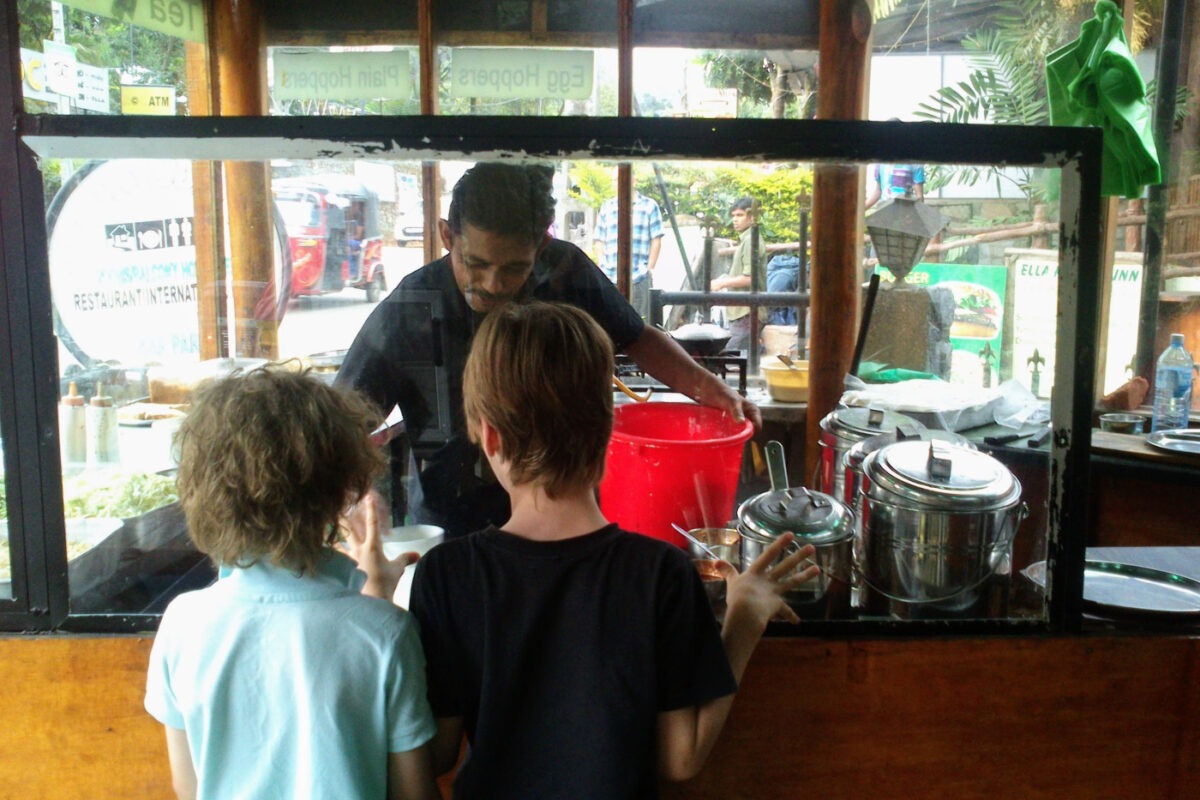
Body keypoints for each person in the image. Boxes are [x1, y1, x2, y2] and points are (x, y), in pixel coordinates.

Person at [404, 300, 819, 799]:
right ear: (608, 432)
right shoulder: (661, 573)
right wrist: (745, 619)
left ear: (489, 437)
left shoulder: (446, 575)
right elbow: (680, 759)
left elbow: (438, 754)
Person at [336, 162, 758, 539]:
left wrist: (715, 392)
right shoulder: (409, 309)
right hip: (453, 531)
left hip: (567, 521)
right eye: (476, 263)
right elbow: (340, 420)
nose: (494, 284)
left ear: (539, 248)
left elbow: (637, 337)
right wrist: (353, 497)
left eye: (514, 268)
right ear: (447, 235)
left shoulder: (565, 270)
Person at [143, 367, 439, 800]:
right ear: (341, 486)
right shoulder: (385, 633)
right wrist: (376, 601)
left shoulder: (181, 623)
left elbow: (188, 789)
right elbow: (416, 795)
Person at [593, 181, 664, 321]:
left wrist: (649, 268)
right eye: (614, 180)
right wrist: (602, 264)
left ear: (634, 181)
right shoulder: (607, 207)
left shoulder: (649, 206)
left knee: (641, 323)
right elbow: (599, 239)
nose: (618, 182)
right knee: (610, 323)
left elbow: (656, 239)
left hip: (639, 277)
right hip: (610, 278)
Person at [710, 196, 768, 352]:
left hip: (747, 312)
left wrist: (721, 283)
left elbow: (750, 278)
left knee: (730, 359)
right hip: (742, 313)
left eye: (740, 215)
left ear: (752, 217)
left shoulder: (751, 240)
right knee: (741, 362)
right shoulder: (746, 240)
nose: (735, 220)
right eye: (733, 216)